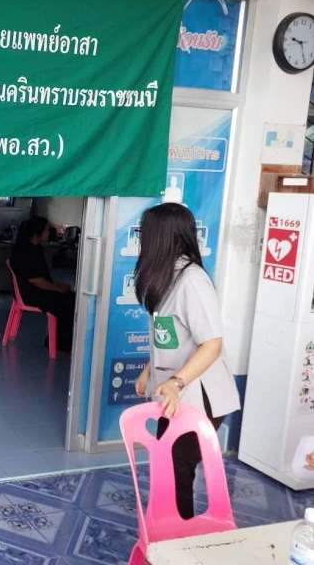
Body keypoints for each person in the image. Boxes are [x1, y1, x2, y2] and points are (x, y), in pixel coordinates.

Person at [133, 203, 240, 520]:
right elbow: (167, 334)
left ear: (160, 237)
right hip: (173, 395)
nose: (141, 238)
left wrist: (176, 382)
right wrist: (148, 371)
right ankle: (168, 525)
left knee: (177, 467)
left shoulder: (191, 280)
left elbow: (212, 344)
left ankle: (180, 535)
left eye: (144, 232)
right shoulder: (167, 275)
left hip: (198, 396)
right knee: (167, 463)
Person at [10, 216, 75, 352]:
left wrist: (60, 285)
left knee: (73, 298)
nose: (48, 233)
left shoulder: (37, 247)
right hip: (31, 293)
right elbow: (35, 279)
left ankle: (63, 342)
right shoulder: (24, 251)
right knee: (66, 304)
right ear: (36, 234)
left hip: (40, 288)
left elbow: (45, 275)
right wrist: (57, 289)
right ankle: (58, 345)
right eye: (46, 231)